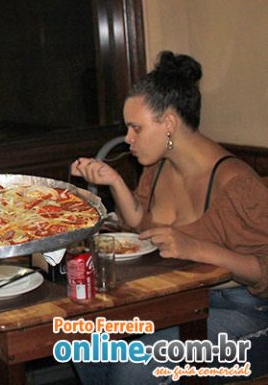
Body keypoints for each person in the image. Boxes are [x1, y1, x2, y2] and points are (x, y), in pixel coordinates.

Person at [70, 51, 268, 383]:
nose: (128, 139)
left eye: (136, 128)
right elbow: (140, 223)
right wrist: (114, 181)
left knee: (133, 369)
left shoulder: (236, 184)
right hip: (185, 301)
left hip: (248, 314)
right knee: (86, 342)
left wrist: (196, 248)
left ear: (170, 124)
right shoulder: (159, 166)